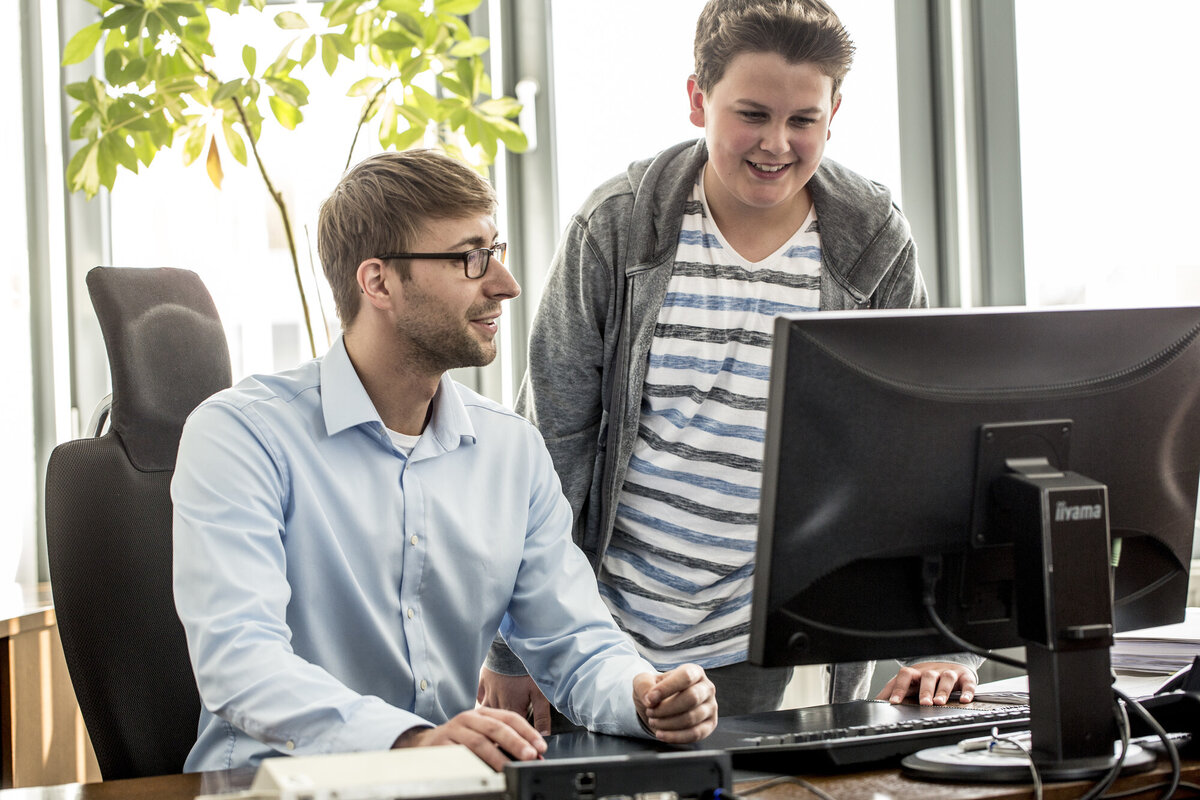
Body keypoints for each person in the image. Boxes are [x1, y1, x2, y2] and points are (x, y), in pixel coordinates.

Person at [479, 0, 981, 726]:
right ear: (698, 100)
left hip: (774, 643)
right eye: (752, 115)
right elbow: (550, 446)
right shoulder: (617, 226)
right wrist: (512, 649)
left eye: (803, 119)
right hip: (606, 638)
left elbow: (914, 454)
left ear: (834, 114)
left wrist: (945, 644)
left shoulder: (873, 242)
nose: (776, 143)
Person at [170, 148, 718, 773]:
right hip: (267, 786)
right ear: (378, 282)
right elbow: (241, 662)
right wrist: (410, 741)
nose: (506, 284)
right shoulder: (243, 434)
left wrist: (643, 696)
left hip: (444, 783)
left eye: (495, 250)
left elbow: (575, 641)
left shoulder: (510, 451)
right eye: (469, 258)